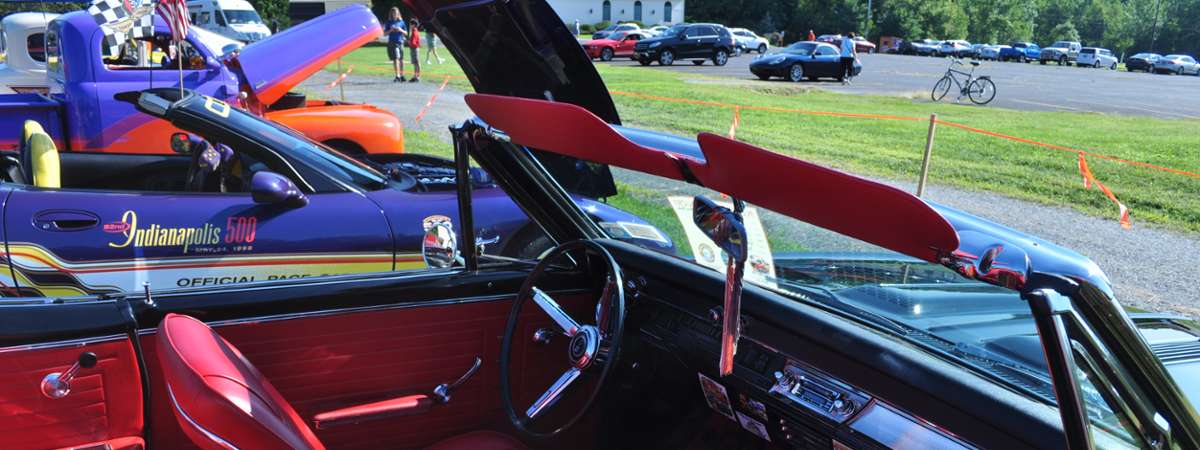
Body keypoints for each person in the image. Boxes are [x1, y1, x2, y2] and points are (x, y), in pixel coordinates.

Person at [384, 7, 408, 82]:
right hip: (392, 42)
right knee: (396, 59)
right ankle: (397, 75)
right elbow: (384, 34)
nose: (395, 15)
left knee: (401, 59)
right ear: (391, 14)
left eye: (396, 13)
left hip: (400, 42)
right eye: (393, 13)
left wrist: (400, 30)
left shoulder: (402, 22)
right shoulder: (388, 22)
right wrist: (391, 30)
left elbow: (406, 33)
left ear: (398, 14)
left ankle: (402, 75)